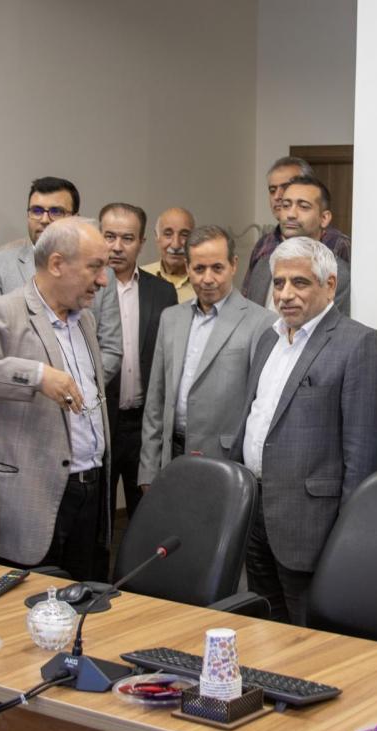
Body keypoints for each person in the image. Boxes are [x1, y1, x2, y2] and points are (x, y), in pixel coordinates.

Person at [229, 236, 377, 625]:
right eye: (279, 283)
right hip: (256, 514)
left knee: (312, 638)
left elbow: (364, 457)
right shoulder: (268, 339)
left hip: (313, 528)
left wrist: (350, 538)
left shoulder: (359, 344)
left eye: (299, 282)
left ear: (329, 285)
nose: (285, 294)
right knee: (264, 629)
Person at [0, 217, 110, 581]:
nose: (103, 279)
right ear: (57, 264)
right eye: (94, 267)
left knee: (81, 603)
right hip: (28, 500)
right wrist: (36, 376)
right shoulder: (3, 311)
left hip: (88, 492)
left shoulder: (85, 320)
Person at [138, 225, 272, 490]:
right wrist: (148, 470)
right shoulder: (171, 318)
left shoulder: (262, 322)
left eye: (217, 268)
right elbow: (156, 400)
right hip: (173, 454)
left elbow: (263, 405)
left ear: (233, 265)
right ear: (188, 268)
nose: (208, 278)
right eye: (199, 269)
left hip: (227, 460)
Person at [0, 177, 121, 382]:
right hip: (21, 396)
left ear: (75, 218)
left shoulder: (102, 274)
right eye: (36, 210)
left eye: (56, 211)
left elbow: (111, 348)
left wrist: (77, 387)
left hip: (82, 394)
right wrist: (38, 384)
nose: (44, 219)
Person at [99, 202, 177, 519]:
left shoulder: (163, 293)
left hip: (144, 425)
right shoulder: (85, 289)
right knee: (97, 518)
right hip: (100, 423)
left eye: (127, 238)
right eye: (109, 236)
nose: (117, 246)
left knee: (146, 515)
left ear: (142, 242)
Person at [242, 157, 351, 312]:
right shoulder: (263, 264)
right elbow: (249, 313)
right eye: (286, 205)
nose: (291, 214)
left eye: (303, 206)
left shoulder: (338, 268)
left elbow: (333, 324)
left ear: (324, 218)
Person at [138, 207, 196, 303]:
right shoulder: (138, 277)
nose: (175, 245)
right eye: (168, 234)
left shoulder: (205, 282)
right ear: (157, 237)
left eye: (184, 235)